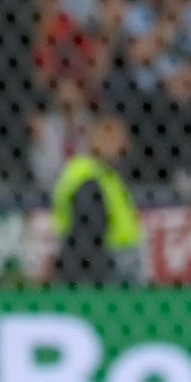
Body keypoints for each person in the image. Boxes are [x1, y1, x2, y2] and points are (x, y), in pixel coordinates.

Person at [51, 114, 144, 285]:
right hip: (105, 259)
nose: (122, 144)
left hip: (114, 256)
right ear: (94, 140)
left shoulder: (106, 174)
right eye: (113, 138)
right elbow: (88, 230)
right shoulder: (87, 176)